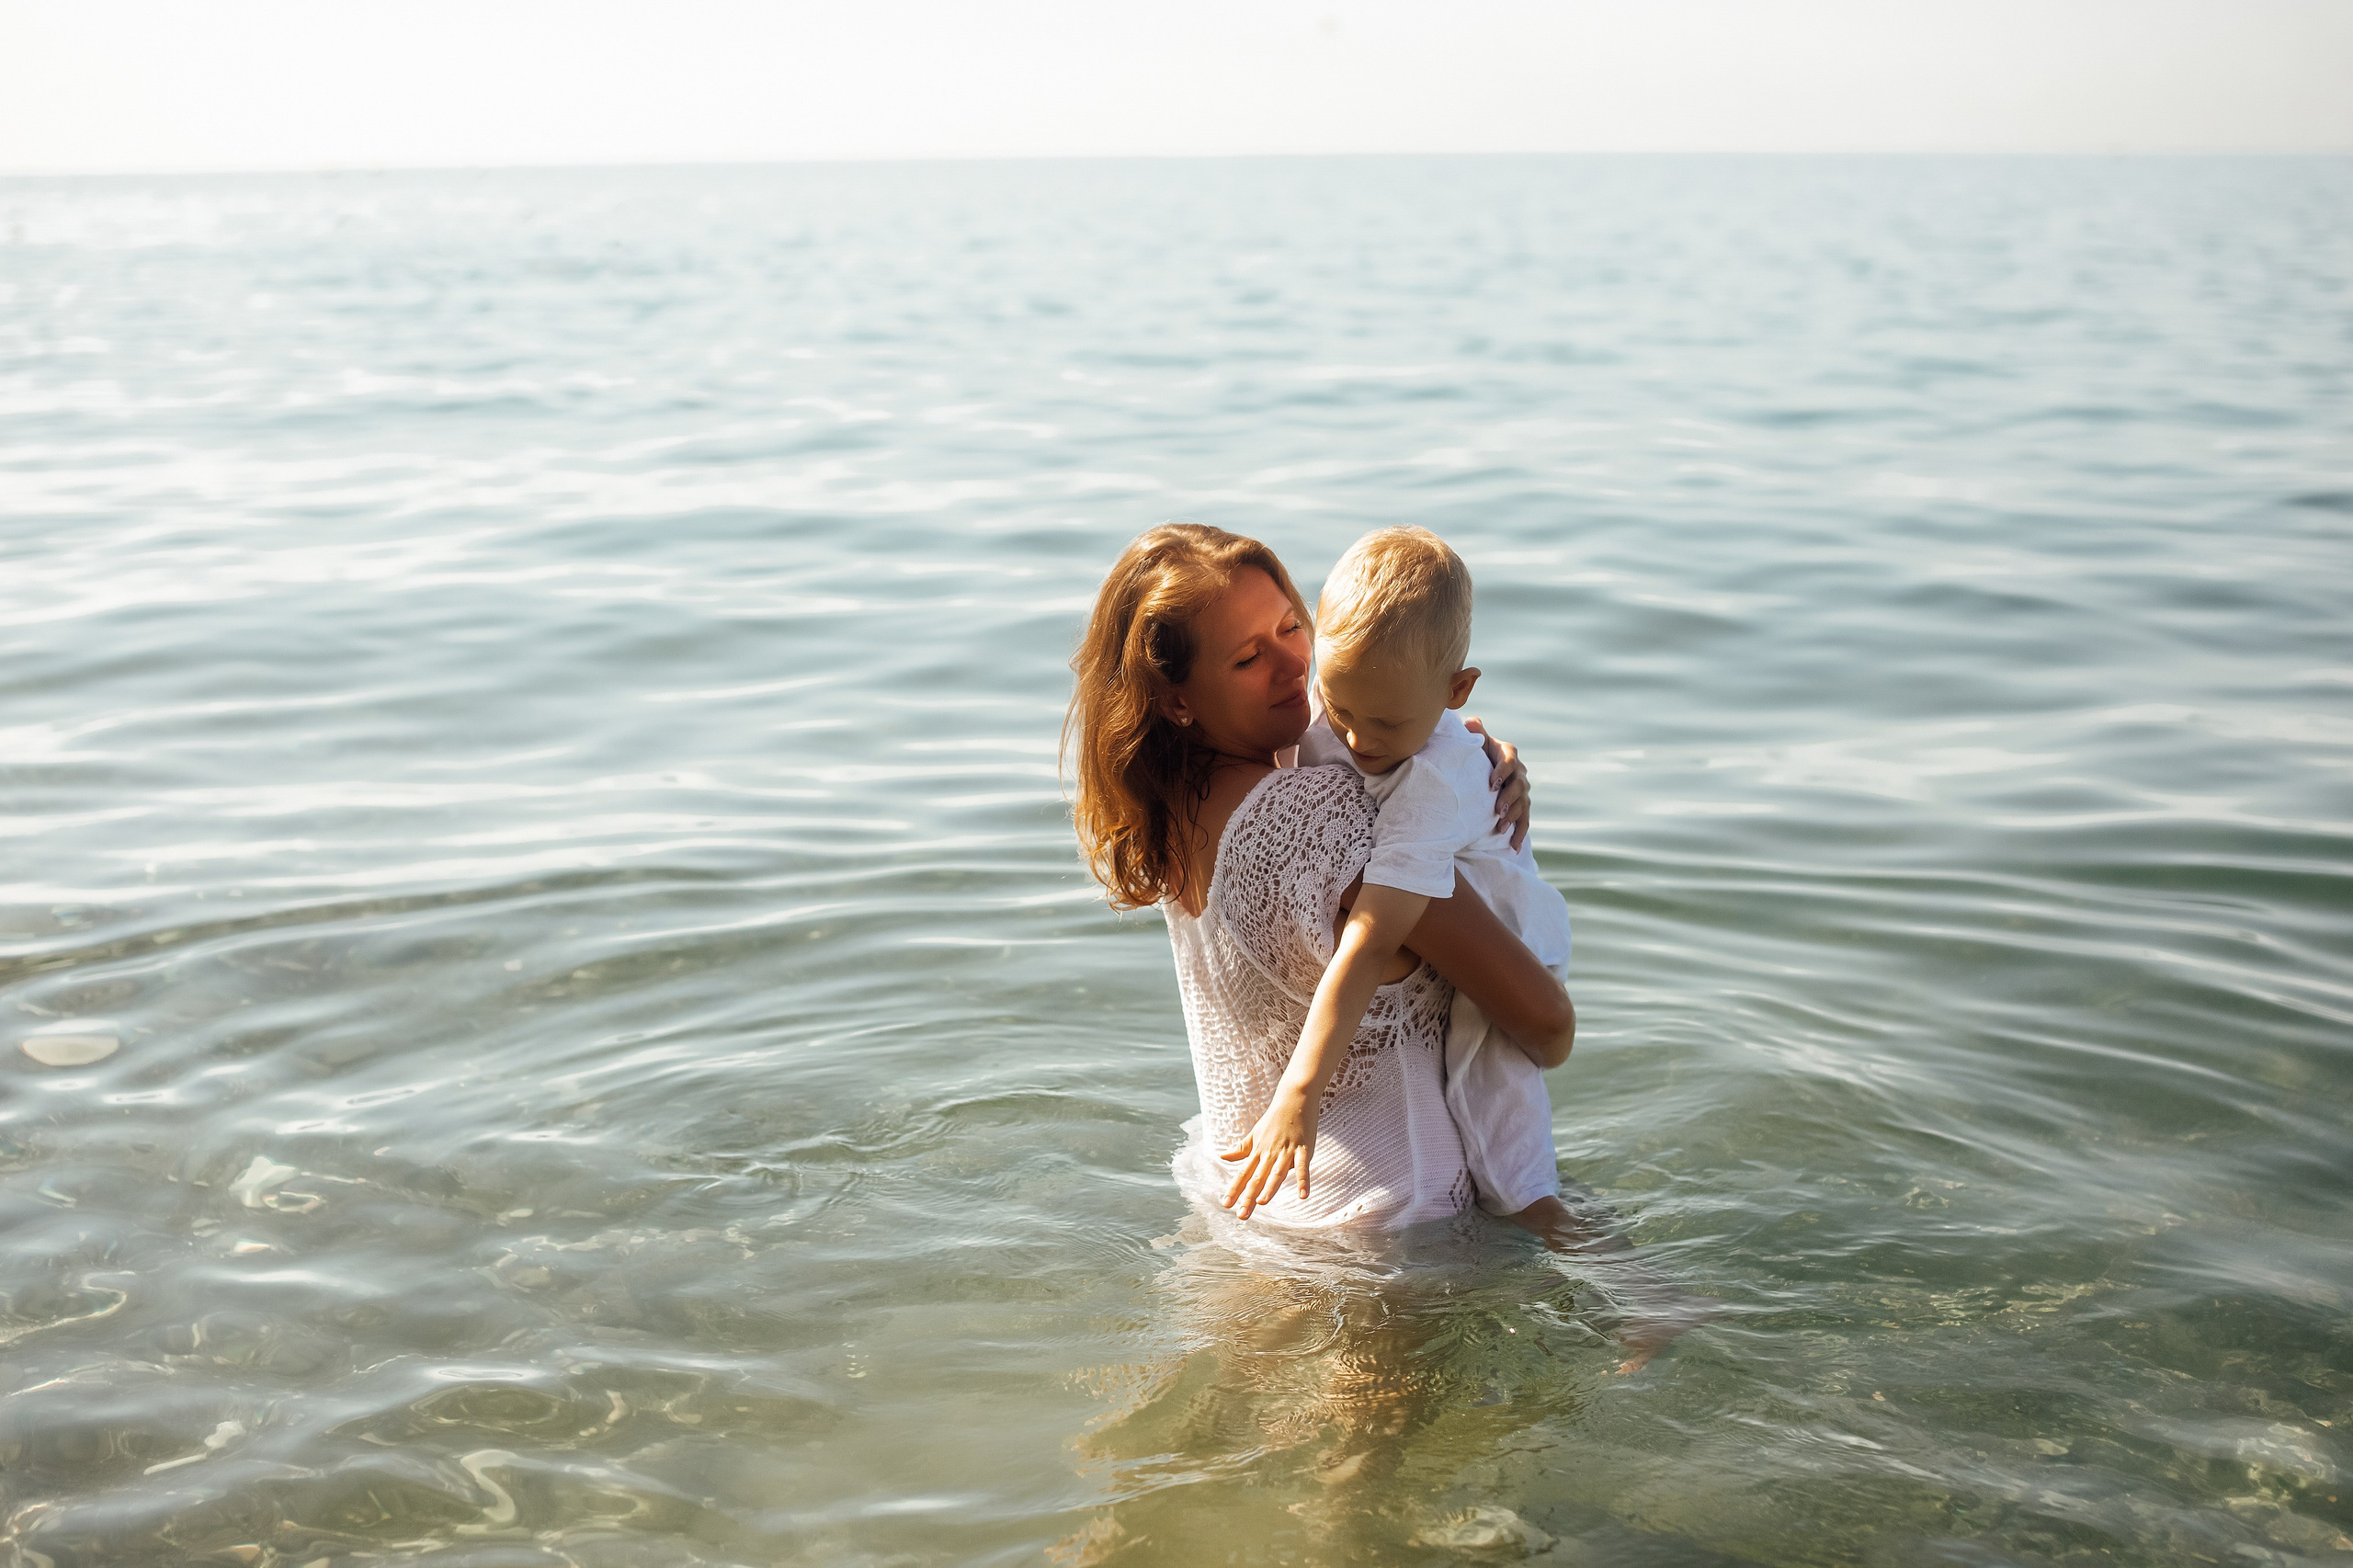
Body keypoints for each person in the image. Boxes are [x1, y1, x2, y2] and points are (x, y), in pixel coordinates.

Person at [1065, 521, 1709, 1370]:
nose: (1295, 666)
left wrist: (1461, 771)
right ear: (1177, 698)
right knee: (1373, 1498)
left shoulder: (1173, 810)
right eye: (1248, 658)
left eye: (1292, 627)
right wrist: (1458, 794)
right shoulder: (1335, 823)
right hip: (1387, 1226)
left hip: (1248, 1195)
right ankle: (1651, 1294)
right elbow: (1547, 1028)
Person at [1221, 526, 1570, 1231]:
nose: (1356, 740)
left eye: (1385, 722)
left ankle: (1635, 1293)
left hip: (1512, 931)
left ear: (1457, 691)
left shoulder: (1434, 785)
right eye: (1340, 708)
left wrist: (1300, 1093)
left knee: (1511, 1164)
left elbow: (1372, 940)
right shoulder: (1361, 699)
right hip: (1438, 887)